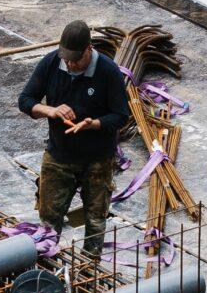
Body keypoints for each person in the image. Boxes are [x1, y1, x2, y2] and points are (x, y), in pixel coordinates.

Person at [15, 20, 130, 258]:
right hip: (59, 155)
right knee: (49, 219)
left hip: (97, 160)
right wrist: (51, 110)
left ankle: (89, 268)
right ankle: (49, 265)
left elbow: (120, 116)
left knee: (96, 220)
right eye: (67, 59)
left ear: (89, 49)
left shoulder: (108, 72)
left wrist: (94, 124)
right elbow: (25, 100)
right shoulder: (52, 63)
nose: (71, 64)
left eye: (76, 60)